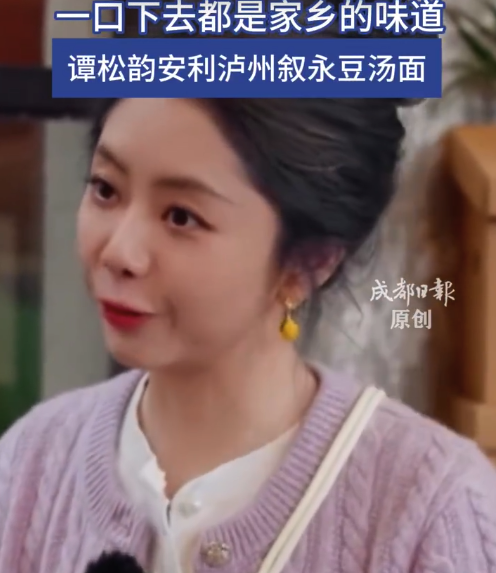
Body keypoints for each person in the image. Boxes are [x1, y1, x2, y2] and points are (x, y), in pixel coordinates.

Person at [1, 96, 496, 573]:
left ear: (310, 261)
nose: (118, 252)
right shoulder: (30, 462)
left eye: (181, 216)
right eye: (106, 189)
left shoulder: (435, 509)